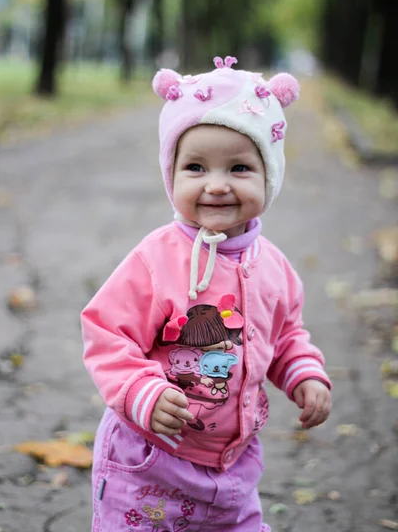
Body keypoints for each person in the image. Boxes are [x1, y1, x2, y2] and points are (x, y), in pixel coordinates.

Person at [81, 55, 332, 532]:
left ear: (268, 177)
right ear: (171, 174)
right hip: (151, 460)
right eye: (195, 167)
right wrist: (143, 391)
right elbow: (107, 331)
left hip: (233, 468)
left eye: (239, 168)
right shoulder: (156, 260)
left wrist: (303, 374)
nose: (216, 186)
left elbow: (285, 335)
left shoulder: (275, 268)